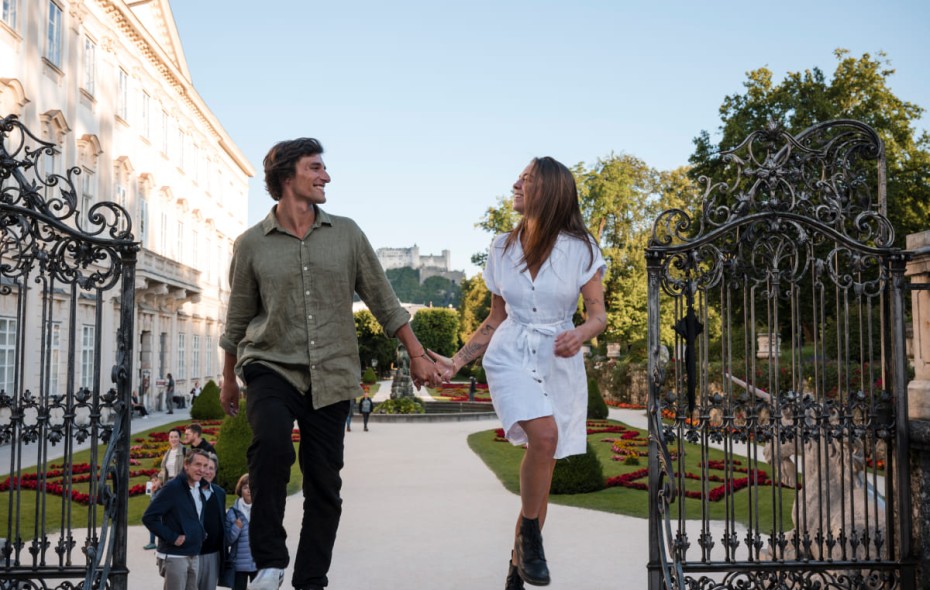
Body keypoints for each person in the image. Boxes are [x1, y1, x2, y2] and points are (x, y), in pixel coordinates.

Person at [219, 137, 442, 590]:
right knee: (272, 448)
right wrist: (227, 377)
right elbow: (238, 316)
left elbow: (384, 300)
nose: (326, 176)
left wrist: (417, 354)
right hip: (271, 364)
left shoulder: (347, 233)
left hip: (334, 371)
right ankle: (269, 560)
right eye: (316, 167)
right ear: (287, 177)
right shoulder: (251, 245)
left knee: (325, 485)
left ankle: (310, 579)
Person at [430, 157, 607, 588]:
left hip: (558, 357)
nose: (515, 185)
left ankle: (516, 565)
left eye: (525, 180)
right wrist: (456, 362)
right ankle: (529, 534)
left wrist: (581, 332)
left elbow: (599, 315)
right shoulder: (500, 248)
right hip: (510, 351)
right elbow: (494, 320)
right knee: (544, 438)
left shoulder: (582, 248)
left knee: (543, 462)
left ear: (547, 190)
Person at [142, 449, 212, 590]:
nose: (202, 470)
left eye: (205, 466)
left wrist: (200, 532)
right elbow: (149, 517)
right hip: (175, 555)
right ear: (186, 465)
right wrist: (172, 537)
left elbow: (195, 515)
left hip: (193, 553)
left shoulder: (198, 487)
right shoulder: (172, 487)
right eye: (198, 465)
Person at [145, 429, 187, 550]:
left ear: (180, 438)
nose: (173, 439)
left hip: (179, 484)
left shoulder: (184, 451)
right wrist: (157, 483)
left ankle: (179, 538)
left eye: (176, 437)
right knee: (161, 513)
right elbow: (163, 471)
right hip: (168, 484)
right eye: (171, 437)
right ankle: (164, 540)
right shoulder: (168, 453)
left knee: (177, 513)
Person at [198, 453, 227, 590]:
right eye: (206, 468)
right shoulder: (190, 491)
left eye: (212, 468)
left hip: (213, 554)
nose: (208, 472)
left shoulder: (220, 493)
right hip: (193, 553)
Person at [226, 474, 257, 590]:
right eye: (245, 487)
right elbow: (227, 541)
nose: (249, 490)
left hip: (258, 563)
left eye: (252, 486)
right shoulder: (232, 513)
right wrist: (236, 528)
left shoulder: (261, 510)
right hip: (239, 565)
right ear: (240, 490)